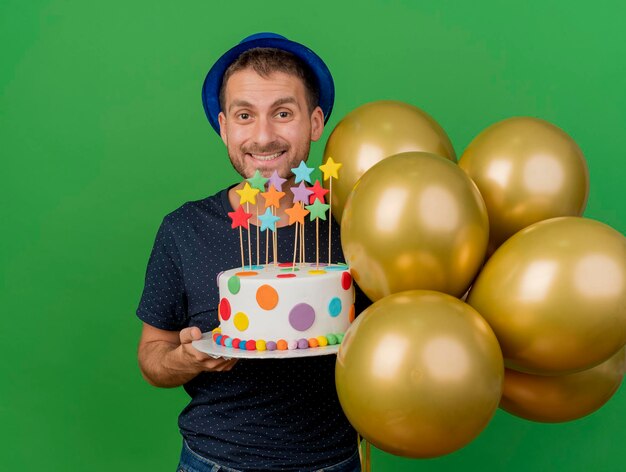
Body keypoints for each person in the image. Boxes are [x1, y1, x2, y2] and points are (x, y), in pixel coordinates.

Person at [136, 33, 363, 471]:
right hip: (212, 462)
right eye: (244, 115)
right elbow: (151, 356)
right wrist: (182, 360)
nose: (263, 136)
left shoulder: (357, 225)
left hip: (333, 461)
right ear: (223, 126)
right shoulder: (183, 229)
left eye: (282, 113)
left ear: (314, 123)